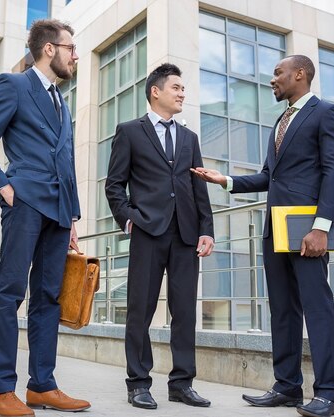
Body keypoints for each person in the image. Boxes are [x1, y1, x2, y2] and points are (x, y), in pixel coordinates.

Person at [192, 55, 334, 417]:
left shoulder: (327, 112)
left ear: (300, 74)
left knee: (317, 308)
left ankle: (330, 393)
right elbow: (267, 177)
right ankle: (288, 386)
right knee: (282, 310)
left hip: (307, 229)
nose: (272, 80)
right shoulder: (280, 121)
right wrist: (226, 180)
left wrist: (321, 227)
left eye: (278, 73)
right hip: (275, 229)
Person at [0, 19, 89, 417]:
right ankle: (0, 390)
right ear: (49, 49)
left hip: (58, 210)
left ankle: (42, 386)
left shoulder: (61, 101)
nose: (76, 55)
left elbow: (66, 161)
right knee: (10, 293)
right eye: (71, 47)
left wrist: (72, 217)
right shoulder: (13, 85)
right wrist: (3, 186)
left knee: (49, 298)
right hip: (26, 203)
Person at [105, 63, 215, 410]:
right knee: (140, 310)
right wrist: (129, 220)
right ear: (156, 91)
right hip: (148, 234)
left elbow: (198, 186)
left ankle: (181, 383)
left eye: (183, 89)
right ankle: (138, 383)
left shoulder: (189, 138)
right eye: (177, 88)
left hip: (185, 234)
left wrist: (206, 229)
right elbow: (114, 186)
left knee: (184, 313)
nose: (183, 93)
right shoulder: (129, 132)